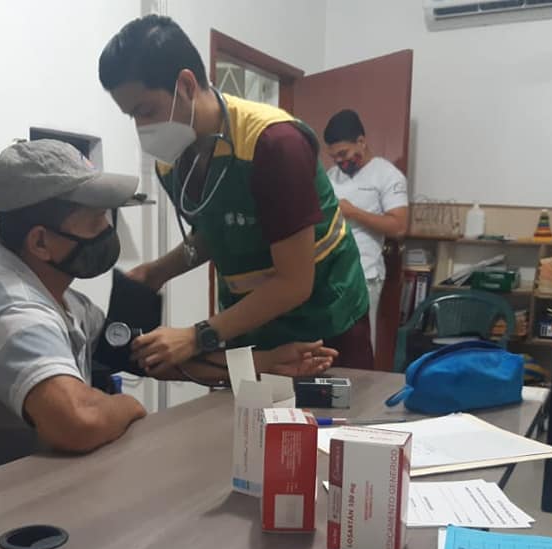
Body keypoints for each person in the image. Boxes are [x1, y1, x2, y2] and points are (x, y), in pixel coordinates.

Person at [0, 140, 337, 486]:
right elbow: (78, 420)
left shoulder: (65, 302)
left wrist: (264, 363)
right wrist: (129, 406)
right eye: (94, 222)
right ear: (41, 242)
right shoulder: (11, 308)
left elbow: (146, 357)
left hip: (35, 490)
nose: (108, 231)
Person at [99, 15, 373, 372]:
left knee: (334, 407)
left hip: (324, 321)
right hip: (248, 320)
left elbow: (295, 282)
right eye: (131, 116)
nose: (142, 128)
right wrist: (156, 272)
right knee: (248, 405)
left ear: (186, 84)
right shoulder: (172, 163)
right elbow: (216, 233)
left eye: (146, 110)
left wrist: (196, 336)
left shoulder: (275, 144)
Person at [323, 109, 410, 350]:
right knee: (328, 346)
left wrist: (354, 213)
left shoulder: (387, 175)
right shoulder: (331, 176)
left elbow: (399, 226)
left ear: (361, 141)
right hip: (329, 276)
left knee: (359, 346)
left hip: (364, 274)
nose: (339, 161)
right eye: (334, 156)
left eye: (343, 153)